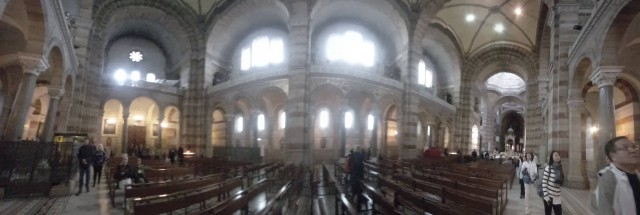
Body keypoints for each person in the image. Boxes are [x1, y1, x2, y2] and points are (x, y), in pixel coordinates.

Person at [597, 136, 640, 215]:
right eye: (625, 147)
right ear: (613, 156)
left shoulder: (637, 175)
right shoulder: (609, 178)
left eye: (634, 147)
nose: (633, 151)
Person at [542, 151, 563, 215]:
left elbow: (560, 183)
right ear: (552, 157)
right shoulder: (549, 167)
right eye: (555, 155)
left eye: (558, 155)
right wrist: (546, 196)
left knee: (559, 213)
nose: (557, 157)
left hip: (557, 196)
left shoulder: (559, 168)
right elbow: (544, 182)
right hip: (549, 197)